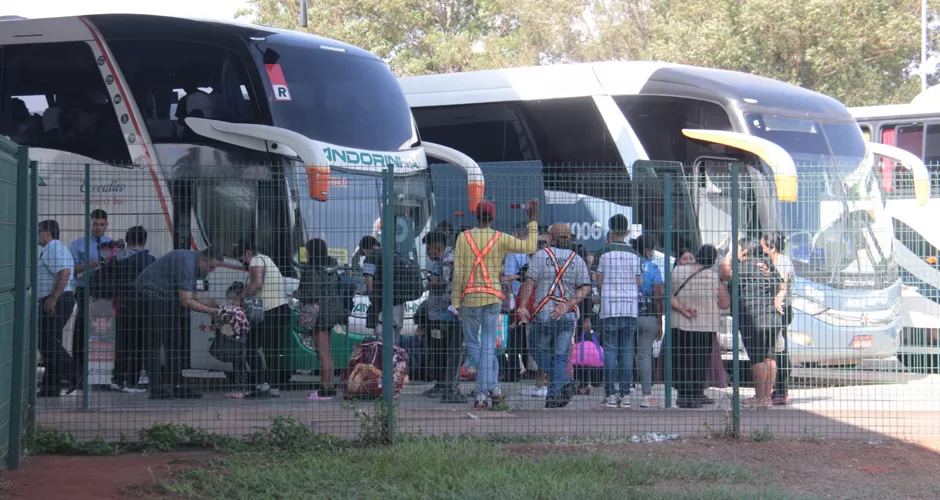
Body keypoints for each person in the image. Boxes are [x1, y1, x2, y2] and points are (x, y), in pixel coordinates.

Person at [453, 199, 539, 409]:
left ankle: (484, 391)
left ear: (476, 215)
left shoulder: (463, 238)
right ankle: (491, 387)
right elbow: (530, 246)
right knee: (489, 345)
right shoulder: (500, 238)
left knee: (473, 343)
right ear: (493, 218)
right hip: (492, 297)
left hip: (469, 298)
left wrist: (456, 301)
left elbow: (458, 271)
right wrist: (532, 220)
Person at [135, 247, 225, 400]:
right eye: (211, 267)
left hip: (167, 297)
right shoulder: (187, 264)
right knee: (154, 342)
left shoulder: (199, 268)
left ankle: (178, 386)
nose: (212, 271)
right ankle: (156, 388)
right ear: (203, 260)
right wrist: (212, 312)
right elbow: (186, 301)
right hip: (150, 294)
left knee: (174, 340)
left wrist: (221, 306)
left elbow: (197, 295)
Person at [518, 223, 592, 408]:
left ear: (551, 238)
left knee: (536, 349)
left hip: (544, 312)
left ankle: (563, 382)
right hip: (567, 315)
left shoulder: (541, 256)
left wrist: (523, 306)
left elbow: (529, 281)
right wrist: (567, 304)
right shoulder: (577, 259)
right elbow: (586, 287)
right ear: (569, 238)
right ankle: (554, 396)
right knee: (560, 355)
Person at [722, 237, 781, 409]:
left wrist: (731, 253)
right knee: (770, 357)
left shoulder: (741, 269)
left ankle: (760, 397)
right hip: (772, 317)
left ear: (745, 251)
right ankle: (767, 398)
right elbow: (780, 286)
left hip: (753, 318)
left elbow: (725, 277)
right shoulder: (769, 267)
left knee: (757, 358)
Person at [669, 244, 730, 408]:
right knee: (700, 361)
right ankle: (696, 395)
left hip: (680, 324)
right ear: (713, 260)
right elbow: (725, 304)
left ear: (697, 256)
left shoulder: (677, 271)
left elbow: (668, 296)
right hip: (705, 326)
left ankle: (682, 395)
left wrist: (682, 308)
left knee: (681, 359)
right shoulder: (713, 277)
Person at [595, 214, 643, 408]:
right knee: (627, 351)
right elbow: (639, 281)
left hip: (609, 307)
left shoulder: (602, 252)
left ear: (611, 231)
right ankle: (626, 394)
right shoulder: (635, 254)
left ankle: (610, 394)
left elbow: (598, 278)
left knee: (610, 351)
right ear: (627, 232)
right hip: (629, 308)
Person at [69, 208, 122, 383]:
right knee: (83, 330)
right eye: (95, 224)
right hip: (85, 291)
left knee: (105, 332)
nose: (98, 227)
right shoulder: (78, 244)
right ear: (90, 223)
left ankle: (104, 373)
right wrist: (88, 265)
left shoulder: (113, 244)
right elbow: (70, 269)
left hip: (106, 293)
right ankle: (79, 373)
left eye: (101, 224)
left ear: (107, 225)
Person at [233, 240, 290, 397]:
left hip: (271, 311)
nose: (243, 263)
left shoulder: (256, 260)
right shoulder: (268, 260)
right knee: (271, 349)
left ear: (248, 253)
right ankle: (274, 386)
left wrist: (240, 297)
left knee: (250, 346)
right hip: (281, 310)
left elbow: (257, 283)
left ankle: (260, 383)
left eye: (242, 258)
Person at [106, 226, 155, 393]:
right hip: (143, 307)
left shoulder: (117, 258)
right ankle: (132, 382)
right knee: (138, 345)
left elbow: (108, 279)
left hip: (122, 305)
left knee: (122, 344)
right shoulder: (150, 260)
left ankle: (117, 379)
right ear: (144, 240)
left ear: (127, 239)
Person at [418, 231, 466, 403]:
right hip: (446, 314)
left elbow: (442, 283)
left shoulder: (448, 260)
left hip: (451, 315)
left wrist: (427, 281)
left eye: (429, 250)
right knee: (446, 351)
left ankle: (450, 389)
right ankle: (446, 386)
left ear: (437, 248)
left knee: (455, 352)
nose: (428, 253)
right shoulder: (444, 260)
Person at [295, 238, 342, 401]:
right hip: (330, 311)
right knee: (327, 352)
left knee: (321, 352)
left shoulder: (311, 269)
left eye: (307, 251)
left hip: (319, 314)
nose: (306, 254)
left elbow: (312, 292)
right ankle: (330, 386)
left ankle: (324, 390)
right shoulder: (331, 268)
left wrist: (298, 294)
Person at [36, 220, 79, 397]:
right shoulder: (54, 248)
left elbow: (65, 273)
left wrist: (53, 298)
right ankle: (51, 387)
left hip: (57, 300)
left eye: (39, 232)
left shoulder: (53, 248)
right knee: (49, 340)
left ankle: (74, 373)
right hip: (57, 298)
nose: (37, 236)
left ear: (47, 233)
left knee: (45, 340)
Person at [761, 231, 793, 406]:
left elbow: (783, 286)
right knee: (776, 348)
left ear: (772, 247)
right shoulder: (774, 261)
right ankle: (777, 389)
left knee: (779, 350)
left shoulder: (782, 262)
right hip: (776, 308)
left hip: (781, 309)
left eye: (763, 247)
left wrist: (777, 299)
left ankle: (781, 390)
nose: (762, 250)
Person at [634, 234, 664, 409]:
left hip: (627, 315)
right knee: (645, 355)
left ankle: (621, 393)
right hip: (648, 316)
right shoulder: (653, 268)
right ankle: (646, 396)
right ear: (647, 250)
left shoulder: (628, 264)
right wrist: (659, 322)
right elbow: (658, 296)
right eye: (653, 249)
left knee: (625, 353)